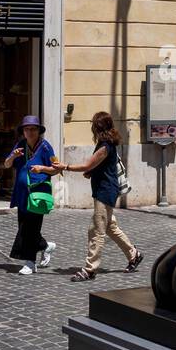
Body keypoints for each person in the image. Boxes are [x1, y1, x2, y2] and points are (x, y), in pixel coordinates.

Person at [60, 112, 143, 282]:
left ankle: (90, 269)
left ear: (97, 127)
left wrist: (65, 166)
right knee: (110, 226)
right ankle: (134, 254)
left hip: (105, 191)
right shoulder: (105, 144)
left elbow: (86, 164)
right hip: (104, 189)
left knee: (96, 230)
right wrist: (92, 172)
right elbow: (98, 166)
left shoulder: (105, 145)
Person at [2, 115, 60, 275]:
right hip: (22, 194)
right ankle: (44, 246)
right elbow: (6, 164)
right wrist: (13, 156)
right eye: (26, 129)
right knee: (24, 226)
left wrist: (42, 168)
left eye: (33, 129)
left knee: (30, 228)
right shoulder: (21, 145)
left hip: (38, 194)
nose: (30, 132)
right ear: (23, 132)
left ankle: (30, 262)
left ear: (38, 131)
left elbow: (57, 169)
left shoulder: (46, 147)